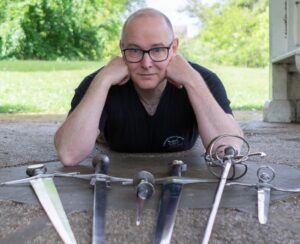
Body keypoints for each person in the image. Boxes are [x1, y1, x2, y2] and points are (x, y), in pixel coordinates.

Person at [54, 8, 243, 166]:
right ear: (122, 49)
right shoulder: (98, 82)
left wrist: (193, 82)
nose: (146, 63)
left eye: (158, 49)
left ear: (174, 48)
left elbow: (229, 148)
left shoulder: (203, 80)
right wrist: (102, 82)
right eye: (134, 50)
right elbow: (69, 155)